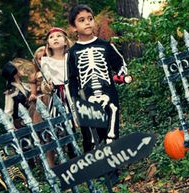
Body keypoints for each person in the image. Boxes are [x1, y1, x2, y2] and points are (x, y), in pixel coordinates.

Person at [67, 4, 129, 151]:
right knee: (91, 139)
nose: (87, 22)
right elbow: (71, 81)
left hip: (109, 97)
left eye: (90, 19)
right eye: (81, 20)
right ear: (74, 27)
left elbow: (121, 65)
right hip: (86, 100)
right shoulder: (72, 52)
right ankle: (96, 170)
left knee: (111, 135)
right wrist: (76, 106)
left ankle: (114, 170)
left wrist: (121, 77)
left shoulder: (106, 46)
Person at [40, 27, 77, 166]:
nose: (55, 38)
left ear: (66, 41)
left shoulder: (72, 57)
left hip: (72, 94)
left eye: (59, 36)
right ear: (48, 44)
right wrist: (47, 87)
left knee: (75, 125)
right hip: (57, 96)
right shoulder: (46, 61)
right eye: (51, 37)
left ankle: (79, 155)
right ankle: (63, 160)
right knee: (59, 128)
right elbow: (45, 84)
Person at [2, 60, 30, 129]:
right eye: (19, 68)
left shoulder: (25, 85)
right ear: (14, 72)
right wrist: (12, 128)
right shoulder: (11, 92)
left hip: (33, 117)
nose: (23, 69)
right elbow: (8, 112)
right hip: (22, 123)